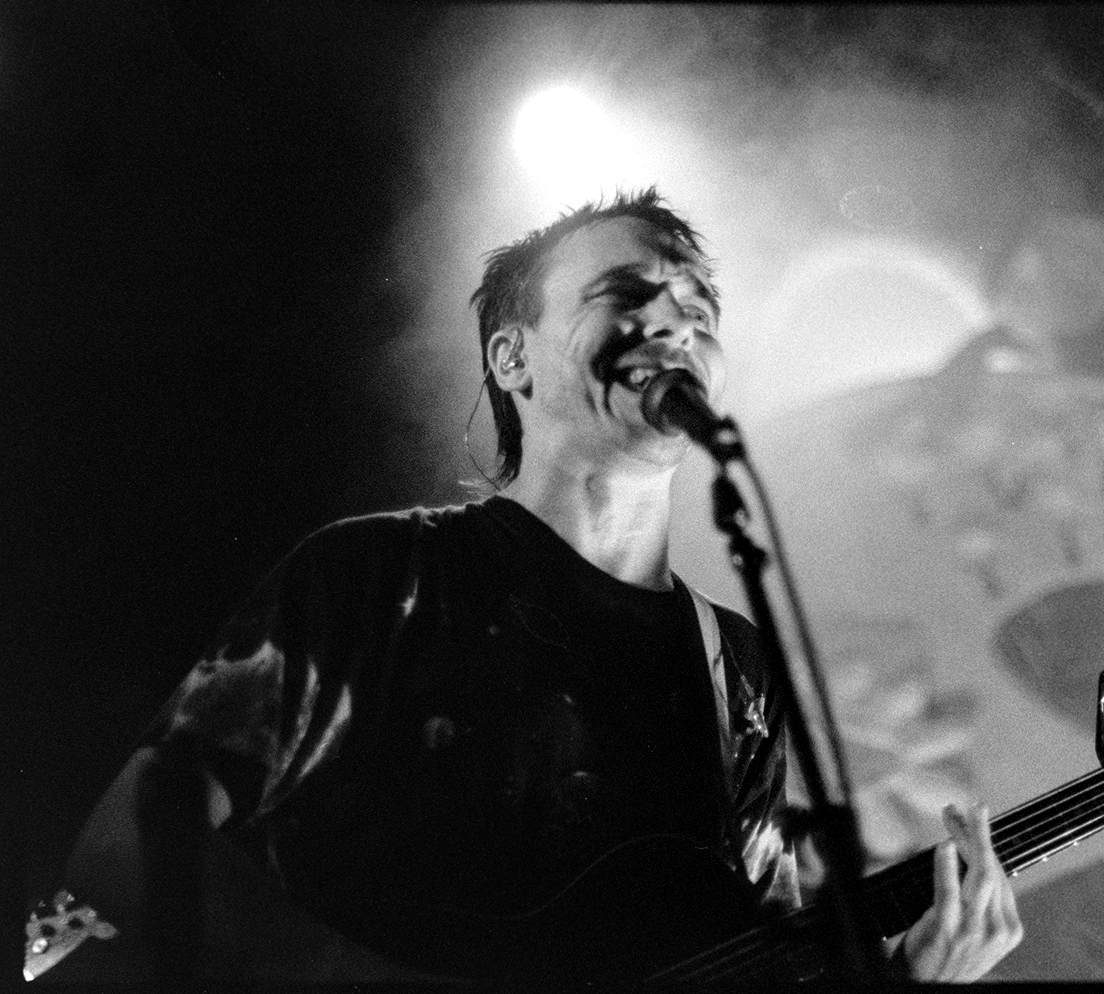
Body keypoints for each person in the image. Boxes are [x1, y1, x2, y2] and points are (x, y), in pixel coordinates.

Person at [38, 189, 1022, 985]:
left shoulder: (739, 671)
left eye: (697, 306)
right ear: (511, 356)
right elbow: (122, 854)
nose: (672, 320)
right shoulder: (381, 577)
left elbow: (743, 955)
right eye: (627, 292)